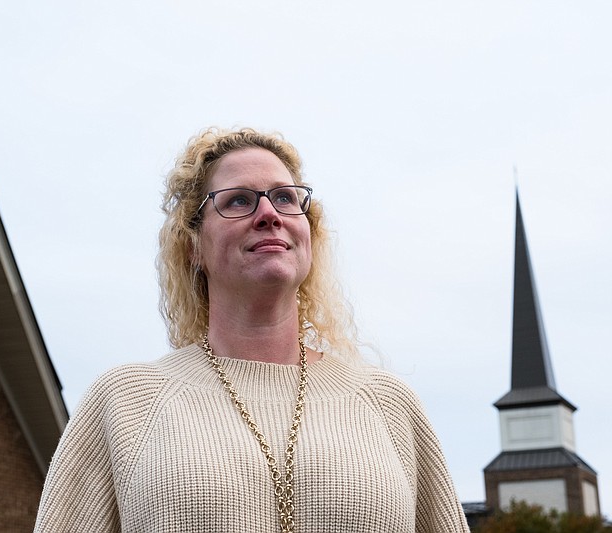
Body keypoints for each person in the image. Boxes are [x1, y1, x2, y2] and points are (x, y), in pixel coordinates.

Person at [34, 127, 470, 532]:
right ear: (193, 248)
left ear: (309, 234)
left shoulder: (388, 404)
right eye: (239, 200)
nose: (269, 213)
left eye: (285, 198)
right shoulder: (126, 403)